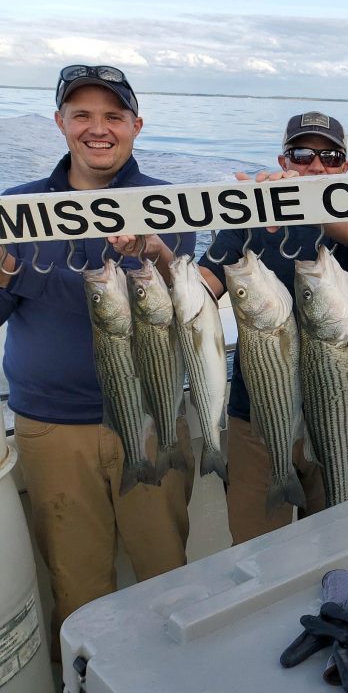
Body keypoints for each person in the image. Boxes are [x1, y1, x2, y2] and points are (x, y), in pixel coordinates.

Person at [0, 64, 196, 655]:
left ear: (136, 125)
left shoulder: (165, 202)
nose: (98, 129)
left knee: (168, 577)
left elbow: (184, 299)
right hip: (51, 426)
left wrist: (156, 254)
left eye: (113, 116)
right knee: (75, 583)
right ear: (60, 123)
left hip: (151, 417)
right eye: (82, 115)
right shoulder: (18, 208)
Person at [197, 111, 348, 545]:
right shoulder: (252, 216)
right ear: (284, 163)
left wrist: (308, 205)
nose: (316, 166)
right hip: (258, 413)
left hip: (337, 408)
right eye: (302, 155)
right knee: (256, 550)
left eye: (331, 156)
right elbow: (205, 288)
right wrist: (154, 260)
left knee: (334, 544)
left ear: (345, 168)